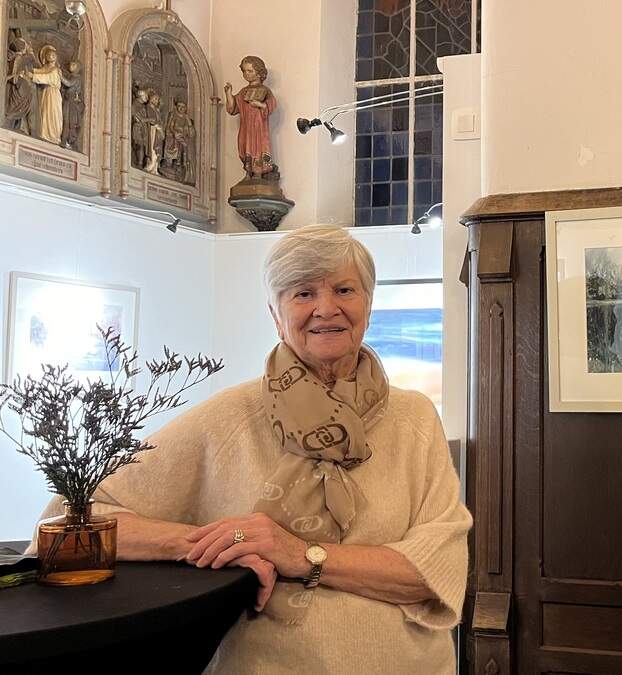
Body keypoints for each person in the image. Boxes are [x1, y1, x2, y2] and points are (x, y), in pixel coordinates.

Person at [31, 224, 472, 674]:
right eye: (302, 293)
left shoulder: (414, 418)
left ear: (368, 304)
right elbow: (68, 522)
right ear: (275, 314)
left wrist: (299, 554)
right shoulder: (229, 416)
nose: (326, 308)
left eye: (344, 289)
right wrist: (210, 543)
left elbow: (435, 570)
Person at [223, 55, 277, 179]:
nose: (246, 74)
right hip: (246, 127)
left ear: (259, 73)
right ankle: (248, 171)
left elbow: (272, 104)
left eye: (250, 71)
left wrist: (260, 104)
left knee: (258, 148)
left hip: (258, 128)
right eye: (244, 71)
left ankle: (258, 172)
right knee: (244, 146)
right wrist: (228, 94)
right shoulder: (243, 92)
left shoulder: (264, 90)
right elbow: (232, 109)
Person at [25, 44, 63, 143]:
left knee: (53, 113)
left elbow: (46, 77)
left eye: (53, 55)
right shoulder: (46, 68)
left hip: (53, 94)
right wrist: (31, 71)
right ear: (45, 57)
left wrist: (32, 76)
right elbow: (41, 71)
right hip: (46, 93)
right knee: (45, 112)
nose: (51, 56)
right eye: (49, 55)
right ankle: (45, 134)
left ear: (56, 58)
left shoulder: (55, 70)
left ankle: (54, 136)